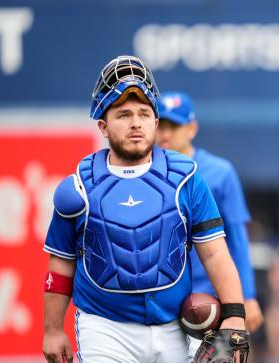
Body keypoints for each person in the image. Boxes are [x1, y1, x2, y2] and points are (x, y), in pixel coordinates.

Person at [41, 55, 247, 363]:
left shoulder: (187, 179)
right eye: (123, 114)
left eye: (143, 113)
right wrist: (53, 330)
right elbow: (60, 265)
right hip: (104, 327)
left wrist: (235, 314)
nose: (135, 122)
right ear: (103, 125)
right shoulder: (78, 188)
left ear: (155, 121)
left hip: (176, 328)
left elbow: (215, 252)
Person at [155, 91, 263, 357]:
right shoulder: (149, 172)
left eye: (175, 125)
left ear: (192, 128)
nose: (166, 133)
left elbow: (237, 239)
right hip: (164, 301)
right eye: (161, 125)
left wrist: (246, 297)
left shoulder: (220, 171)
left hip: (208, 300)